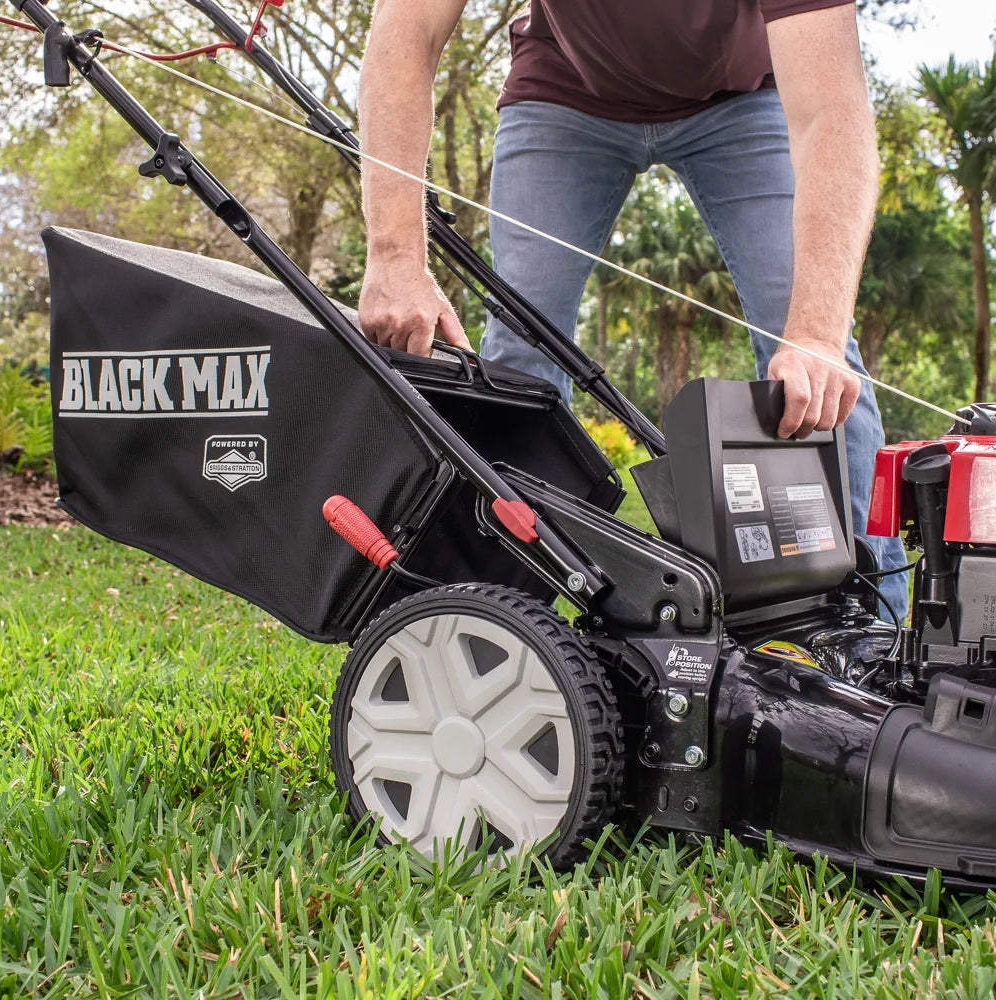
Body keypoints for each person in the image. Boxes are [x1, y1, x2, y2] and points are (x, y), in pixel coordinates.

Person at [356, 0, 909, 616]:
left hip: (745, 98)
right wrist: (396, 258)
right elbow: (407, 33)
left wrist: (816, 333)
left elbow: (832, 110)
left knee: (820, 366)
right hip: (564, 94)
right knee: (518, 354)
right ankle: (502, 616)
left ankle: (872, 627)